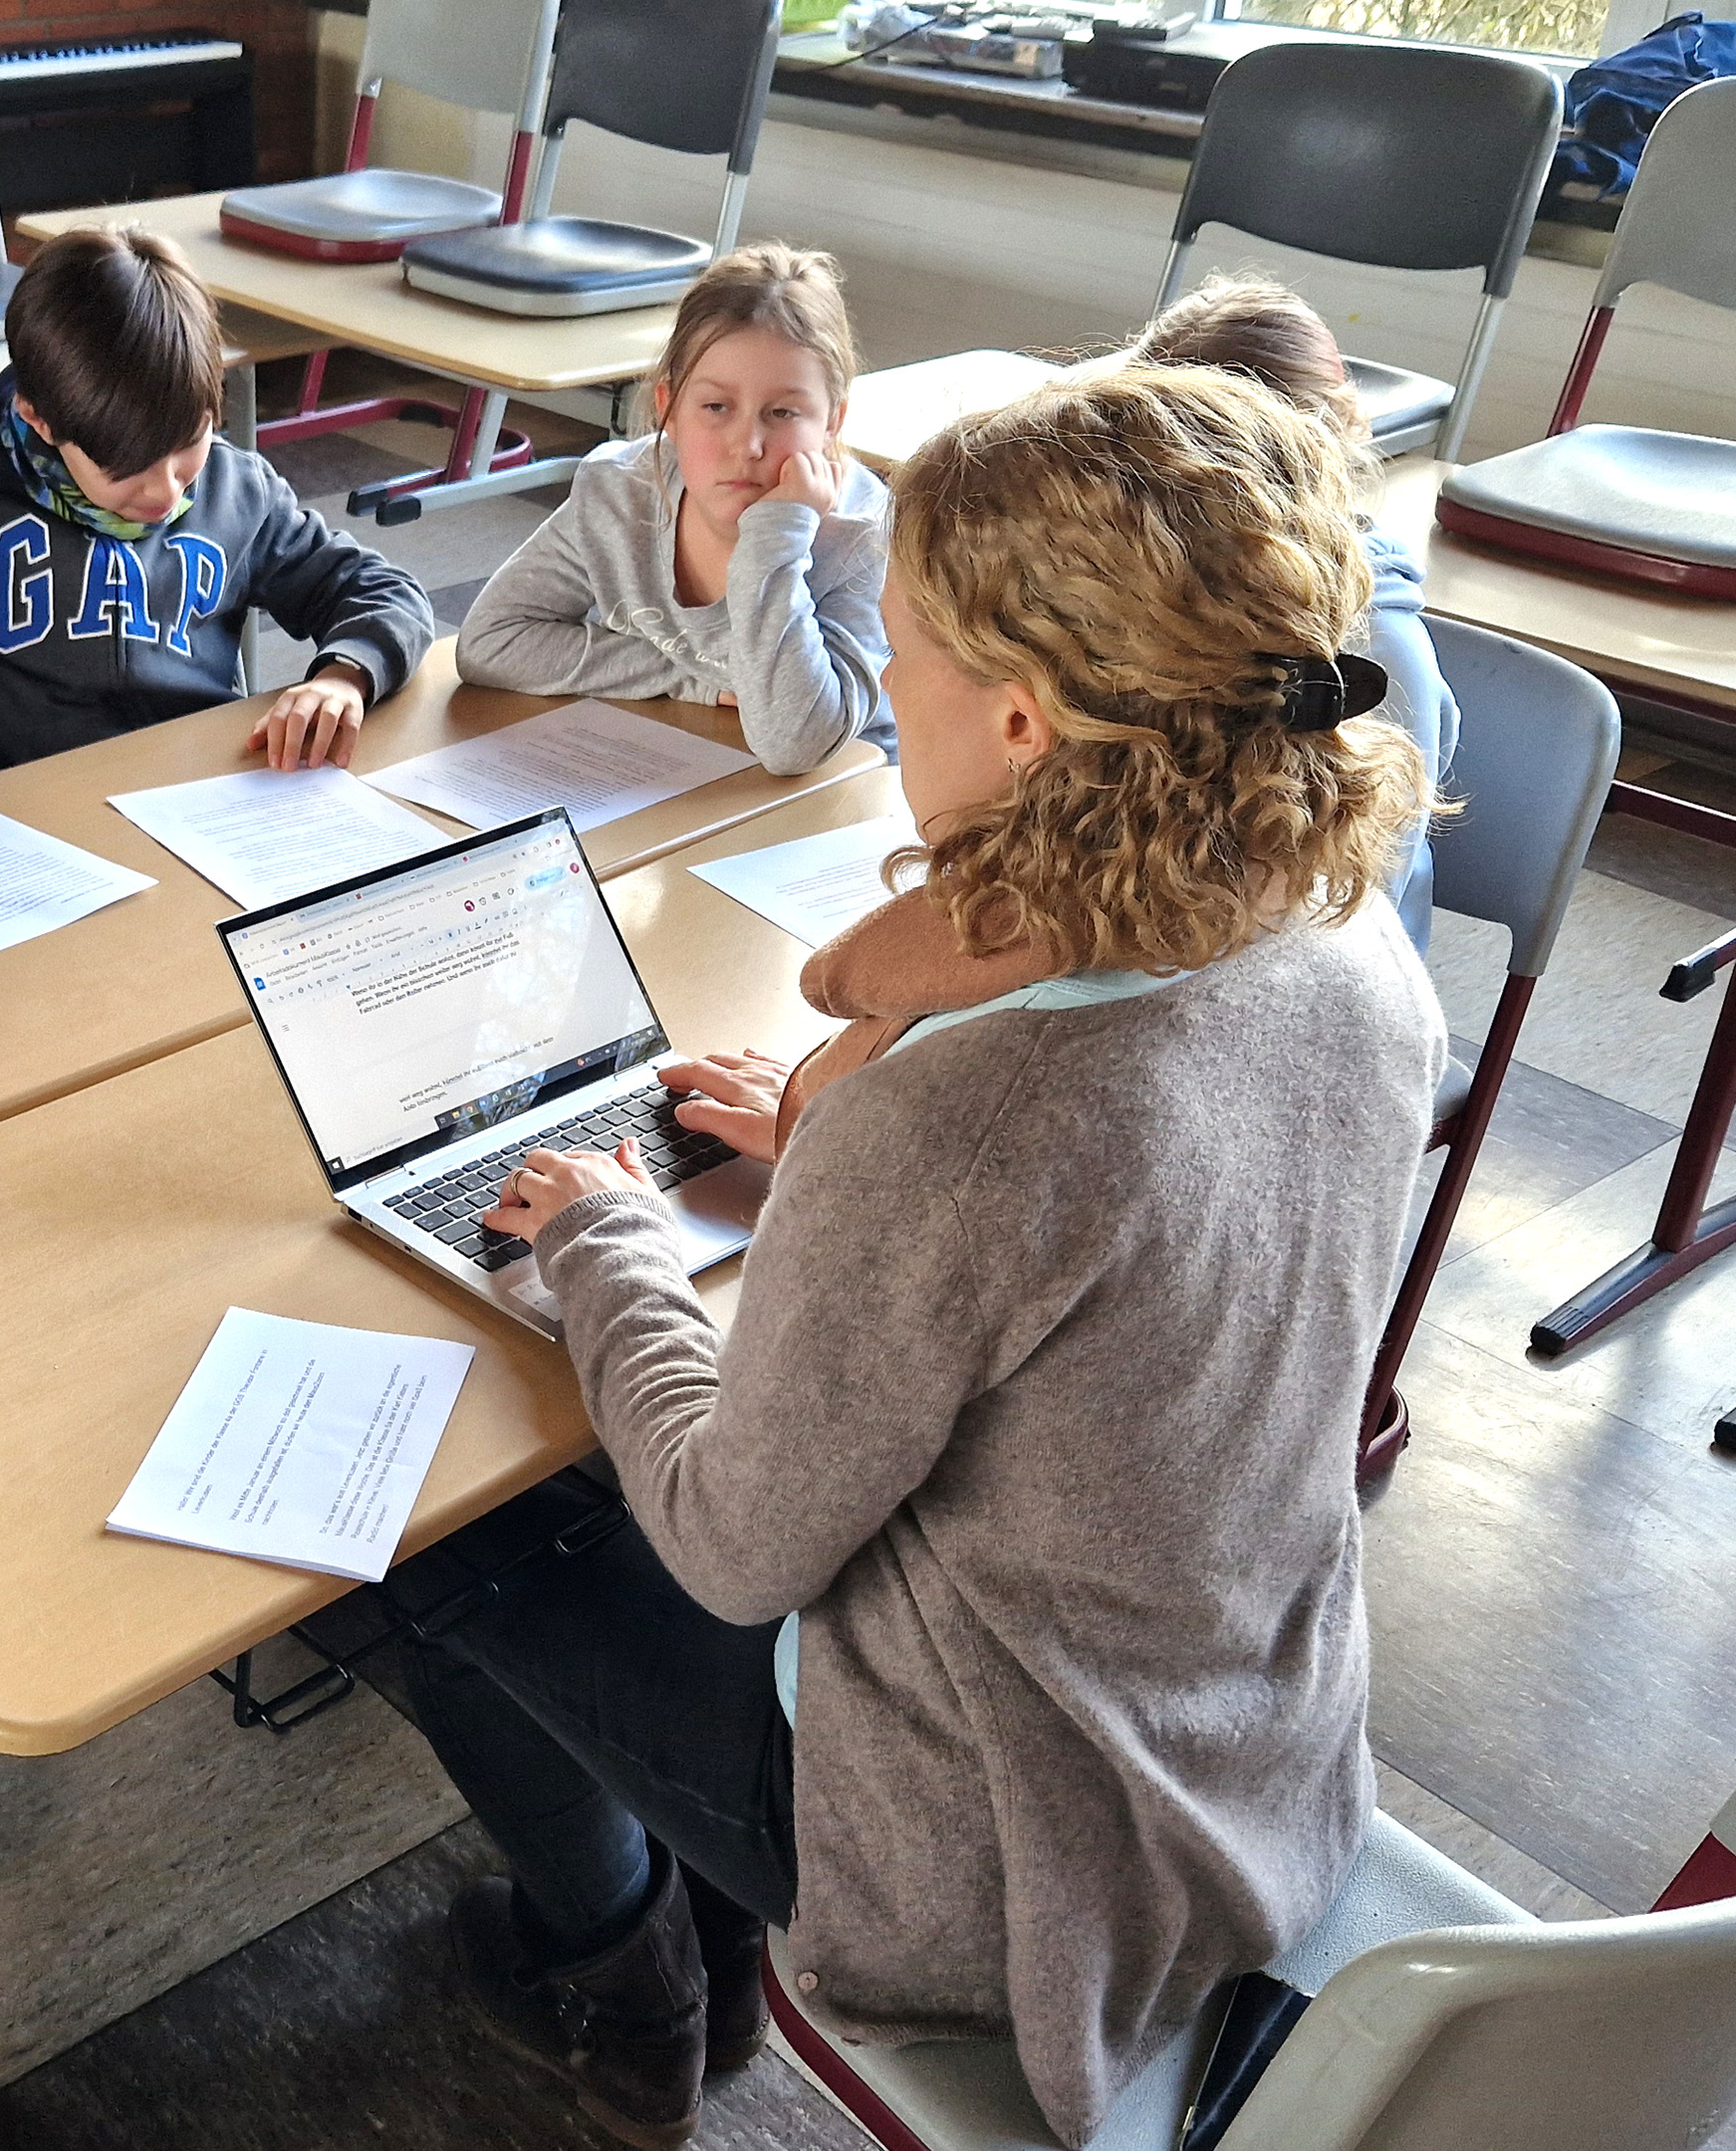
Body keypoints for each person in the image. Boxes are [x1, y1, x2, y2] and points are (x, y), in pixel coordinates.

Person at [368, 369, 1443, 2150]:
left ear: (1021, 725)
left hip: (997, 1864)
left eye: (908, 638)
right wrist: (831, 1167)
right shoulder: (1339, 942)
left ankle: (627, 1968)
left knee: (440, 1538)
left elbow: (731, 1546)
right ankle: (683, 1900)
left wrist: (612, 1235)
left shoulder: (970, 1121)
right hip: (1247, 1738)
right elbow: (1114, 1251)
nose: (885, 676)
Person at [0, 224, 433, 797]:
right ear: (40, 419)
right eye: (125, 470)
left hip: (204, 805)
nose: (166, 493)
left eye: (188, 447)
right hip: (24, 823)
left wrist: (345, 675)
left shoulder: (239, 492)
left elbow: (383, 592)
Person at [457, 243, 892, 772]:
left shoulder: (862, 537)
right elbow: (490, 642)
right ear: (670, 407)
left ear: (832, 422)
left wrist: (777, 534)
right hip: (694, 763)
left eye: (783, 412)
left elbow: (795, 743)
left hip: (841, 801)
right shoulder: (620, 493)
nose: (746, 445)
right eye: (715, 407)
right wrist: (692, 681)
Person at [1129, 274, 1459, 946]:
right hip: (1164, 940)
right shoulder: (1156, 590)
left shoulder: (1374, 652)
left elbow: (1355, 905)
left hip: (1309, 972)